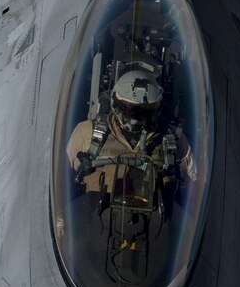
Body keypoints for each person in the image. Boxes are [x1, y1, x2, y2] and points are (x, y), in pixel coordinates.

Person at [66, 68, 197, 196]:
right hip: (94, 214)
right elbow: (62, 180)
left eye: (146, 111)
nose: (138, 118)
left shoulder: (174, 140)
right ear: (115, 104)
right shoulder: (86, 133)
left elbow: (195, 183)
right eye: (130, 109)